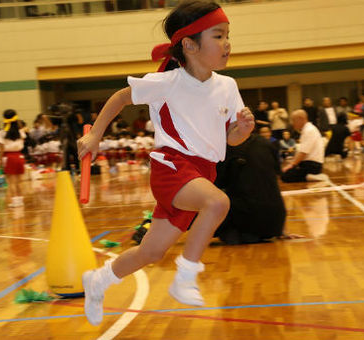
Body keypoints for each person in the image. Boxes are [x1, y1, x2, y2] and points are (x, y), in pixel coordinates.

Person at [77, 1, 254, 325]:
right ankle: (185, 277)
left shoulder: (227, 87)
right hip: (172, 166)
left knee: (151, 251)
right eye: (218, 35)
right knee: (217, 203)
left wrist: (241, 130)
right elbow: (120, 98)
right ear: (189, 44)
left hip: (203, 173)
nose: (227, 43)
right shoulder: (167, 83)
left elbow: (230, 139)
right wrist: (95, 137)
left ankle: (98, 279)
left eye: (228, 35)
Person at [281, 110, 327, 182]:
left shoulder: (309, 130)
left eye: (294, 120)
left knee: (285, 176)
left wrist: (291, 165)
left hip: (312, 166)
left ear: (301, 118)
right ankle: (309, 176)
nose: (293, 123)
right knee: (286, 173)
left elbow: (303, 152)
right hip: (310, 164)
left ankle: (312, 176)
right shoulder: (308, 129)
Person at [0, 109, 27, 207]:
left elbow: (1, 148)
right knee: (19, 180)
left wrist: (0, 160)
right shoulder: (20, 132)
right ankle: (20, 201)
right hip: (19, 156)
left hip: (9, 157)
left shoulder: (1, 133)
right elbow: (22, 143)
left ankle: (15, 202)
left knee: (11, 181)